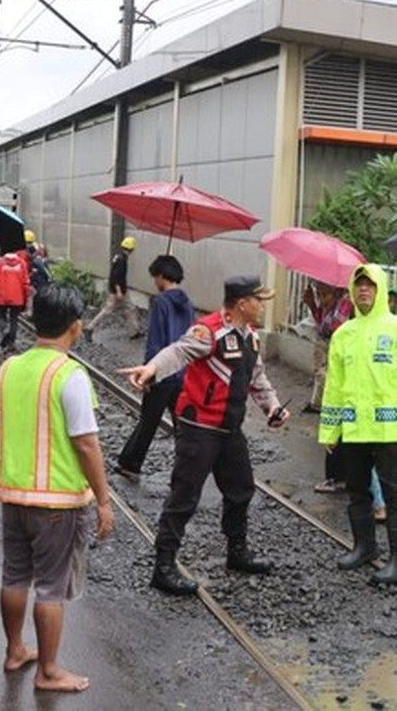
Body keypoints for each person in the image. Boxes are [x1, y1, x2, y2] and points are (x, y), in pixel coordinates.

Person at [120, 275, 289, 596]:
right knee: (184, 496)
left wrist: (273, 408)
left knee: (241, 490)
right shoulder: (209, 331)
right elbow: (177, 352)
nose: (264, 306)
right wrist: (150, 370)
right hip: (200, 429)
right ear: (242, 303)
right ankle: (164, 566)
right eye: (260, 300)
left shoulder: (251, 336)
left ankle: (237, 552)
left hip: (230, 429)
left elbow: (257, 378)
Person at [0, 284, 114, 694]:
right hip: (58, 501)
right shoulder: (69, 374)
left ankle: (15, 650)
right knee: (50, 586)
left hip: (13, 494)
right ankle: (48, 671)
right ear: (76, 327)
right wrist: (103, 499)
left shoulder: (9, 368)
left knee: (14, 575)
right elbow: (85, 442)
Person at [319, 265, 397, 585]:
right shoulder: (343, 334)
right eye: (359, 285)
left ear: (380, 290)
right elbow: (334, 385)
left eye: (370, 285)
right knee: (356, 490)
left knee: (394, 493)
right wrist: (329, 430)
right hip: (354, 429)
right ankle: (364, 546)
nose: (364, 290)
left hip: (389, 430)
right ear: (352, 290)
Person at [115, 255, 195, 479]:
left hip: (161, 371)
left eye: (155, 277)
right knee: (182, 425)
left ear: (161, 276)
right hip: (182, 372)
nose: (154, 282)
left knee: (148, 421)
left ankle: (130, 463)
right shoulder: (187, 302)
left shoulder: (160, 302)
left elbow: (156, 339)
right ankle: (188, 468)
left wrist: (148, 373)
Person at [302, 283, 351, 414]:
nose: (322, 300)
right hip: (323, 340)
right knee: (319, 372)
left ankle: (325, 403)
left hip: (334, 341)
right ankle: (316, 402)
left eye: (325, 295)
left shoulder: (344, 303)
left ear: (335, 293)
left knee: (325, 373)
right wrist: (312, 304)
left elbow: (335, 328)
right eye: (319, 295)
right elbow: (321, 321)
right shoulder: (328, 306)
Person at [88, 237, 141, 338]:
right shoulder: (122, 260)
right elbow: (117, 276)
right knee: (110, 310)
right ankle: (90, 327)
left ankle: (134, 331)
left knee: (129, 309)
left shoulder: (117, 257)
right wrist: (119, 291)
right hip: (119, 290)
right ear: (131, 249)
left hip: (117, 289)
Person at [0, 249, 31, 353]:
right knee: (14, 320)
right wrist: (26, 297)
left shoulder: (0, 263)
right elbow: (26, 282)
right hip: (17, 297)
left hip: (2, 297)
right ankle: (11, 342)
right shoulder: (21, 263)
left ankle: (4, 331)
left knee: (0, 317)